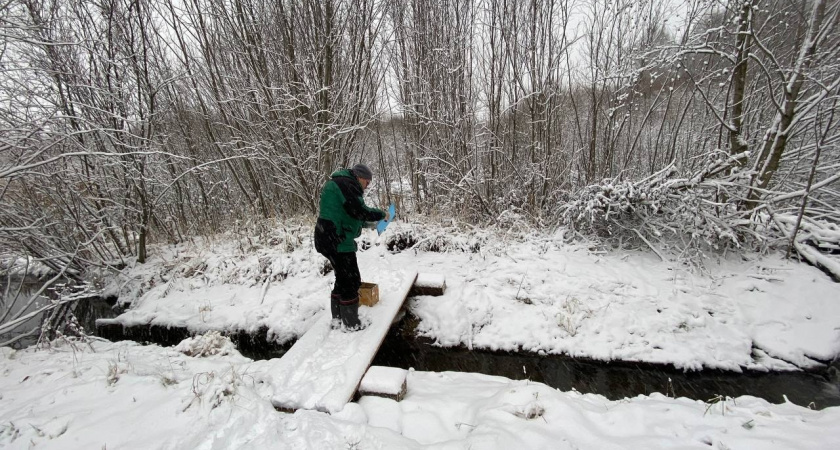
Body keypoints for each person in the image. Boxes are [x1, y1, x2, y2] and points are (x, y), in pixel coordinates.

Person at [313, 164, 388, 330]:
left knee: (342, 278)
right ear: (359, 177)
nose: (367, 186)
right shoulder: (346, 184)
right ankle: (351, 323)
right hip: (336, 240)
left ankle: (338, 319)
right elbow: (359, 211)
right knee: (351, 281)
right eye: (367, 182)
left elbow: (351, 214)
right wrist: (382, 214)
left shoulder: (341, 184)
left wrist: (373, 224)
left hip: (328, 238)